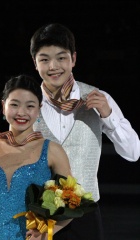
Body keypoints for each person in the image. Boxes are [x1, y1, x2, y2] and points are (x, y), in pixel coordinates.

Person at [30, 23, 140, 240]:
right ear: (35, 63)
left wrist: (108, 116)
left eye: (61, 58)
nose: (53, 66)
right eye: (44, 59)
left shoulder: (99, 98)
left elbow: (133, 153)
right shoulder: (28, 103)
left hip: (86, 215)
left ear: (73, 59)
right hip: (41, 216)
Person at [0, 74, 73, 240]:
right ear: (3, 105)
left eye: (30, 106)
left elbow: (72, 204)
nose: (21, 112)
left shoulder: (52, 150)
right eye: (14, 104)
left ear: (39, 109)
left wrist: (47, 231)